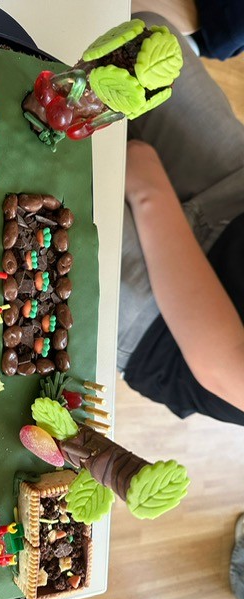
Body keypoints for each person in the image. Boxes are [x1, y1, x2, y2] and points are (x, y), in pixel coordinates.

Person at [118, 12, 244, 426]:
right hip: (235, 199)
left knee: (28, 197)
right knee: (142, 38)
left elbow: (227, 366)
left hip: (172, 333)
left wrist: (149, 192)